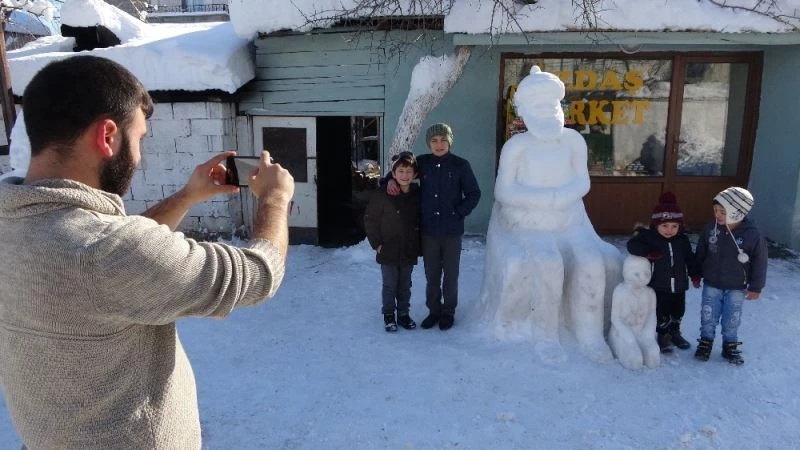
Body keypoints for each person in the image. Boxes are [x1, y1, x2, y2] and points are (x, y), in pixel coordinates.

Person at [0, 56, 294, 448]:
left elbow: (117, 250)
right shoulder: (103, 252)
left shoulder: (17, 226)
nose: (139, 156)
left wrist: (188, 196)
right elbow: (259, 273)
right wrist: (275, 199)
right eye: (138, 139)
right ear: (107, 136)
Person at [478, 66, 621, 363]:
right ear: (527, 112)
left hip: (570, 221)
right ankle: (546, 334)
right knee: (548, 264)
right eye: (541, 106)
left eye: (553, 105)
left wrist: (561, 199)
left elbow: (582, 181)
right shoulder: (516, 147)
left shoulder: (573, 142)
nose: (549, 111)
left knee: (592, 262)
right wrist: (547, 200)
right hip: (529, 224)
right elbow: (503, 191)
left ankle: (590, 333)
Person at [388, 123, 481, 331]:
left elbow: (474, 194)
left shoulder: (460, 165)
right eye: (434, 141)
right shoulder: (423, 163)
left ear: (449, 141)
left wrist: (458, 212)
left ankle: (448, 312)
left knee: (450, 274)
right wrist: (388, 181)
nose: (439, 145)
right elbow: (401, 169)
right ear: (429, 143)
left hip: (451, 232)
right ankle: (434, 311)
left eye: (442, 140)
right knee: (431, 274)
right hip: (428, 231)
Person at [693, 187, 767, 365]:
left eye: (723, 211)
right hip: (712, 283)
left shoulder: (752, 234)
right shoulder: (711, 229)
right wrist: (696, 273)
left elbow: (760, 261)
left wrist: (756, 287)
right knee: (708, 315)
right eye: (715, 210)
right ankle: (705, 342)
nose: (717, 215)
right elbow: (701, 252)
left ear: (737, 212)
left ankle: (730, 344)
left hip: (736, 286)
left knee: (731, 318)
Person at [627, 192, 699, 353]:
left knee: (678, 310)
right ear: (656, 225)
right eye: (665, 226)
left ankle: (675, 332)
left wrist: (694, 274)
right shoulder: (650, 238)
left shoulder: (682, 241)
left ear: (680, 226)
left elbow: (690, 258)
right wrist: (647, 252)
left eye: (674, 226)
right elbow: (632, 245)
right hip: (660, 284)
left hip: (680, 285)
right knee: (661, 311)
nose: (669, 230)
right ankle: (662, 335)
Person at [364, 151, 421, 332]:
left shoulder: (417, 194)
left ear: (414, 174)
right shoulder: (383, 194)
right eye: (401, 171)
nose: (404, 175)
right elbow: (370, 220)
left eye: (408, 171)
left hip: (408, 248)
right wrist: (377, 244)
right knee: (390, 285)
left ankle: (403, 314)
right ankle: (389, 315)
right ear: (393, 174)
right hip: (388, 248)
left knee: (405, 285)